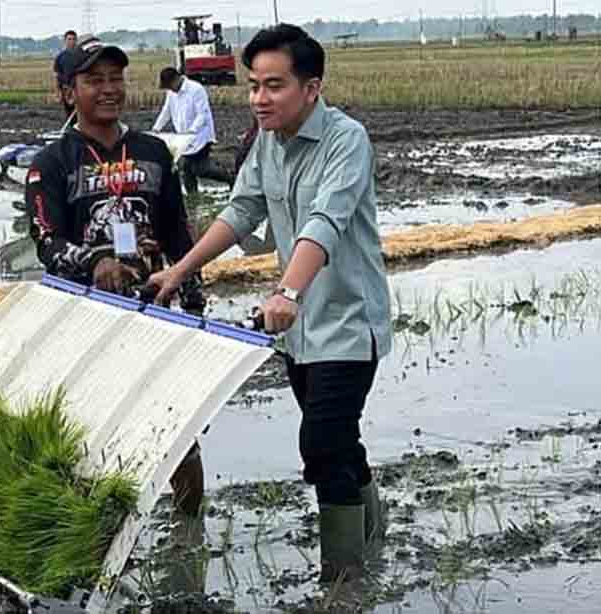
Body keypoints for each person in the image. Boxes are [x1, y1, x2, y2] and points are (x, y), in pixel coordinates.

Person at [148, 24, 392, 583]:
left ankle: (344, 579)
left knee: (322, 443)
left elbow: (325, 223)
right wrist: (180, 270)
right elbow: (241, 213)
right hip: (298, 330)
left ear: (311, 87)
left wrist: (286, 290)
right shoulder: (266, 146)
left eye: (274, 86)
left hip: (348, 323)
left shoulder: (345, 140)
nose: (259, 99)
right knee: (338, 437)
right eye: (253, 85)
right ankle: (374, 537)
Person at [24, 35, 207, 517]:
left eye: (116, 79)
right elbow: (47, 244)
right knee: (94, 433)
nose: (109, 89)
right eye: (93, 81)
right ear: (67, 92)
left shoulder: (152, 152)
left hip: (153, 313)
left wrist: (193, 299)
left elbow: (178, 234)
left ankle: (189, 537)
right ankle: (97, 535)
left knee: (178, 430)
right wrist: (95, 262)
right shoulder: (50, 165)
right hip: (86, 324)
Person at [151, 67, 234, 195]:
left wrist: (191, 131)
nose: (170, 89)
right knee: (186, 168)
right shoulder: (171, 93)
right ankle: (192, 197)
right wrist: (156, 128)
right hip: (184, 138)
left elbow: (203, 114)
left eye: (170, 85)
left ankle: (230, 178)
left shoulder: (196, 89)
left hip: (200, 136)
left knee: (200, 169)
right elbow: (166, 111)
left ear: (177, 79)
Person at [53, 30, 78, 119]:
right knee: (69, 114)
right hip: (66, 89)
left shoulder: (81, 56)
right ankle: (71, 131)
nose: (72, 41)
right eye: (69, 39)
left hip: (79, 89)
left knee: (80, 113)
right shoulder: (60, 57)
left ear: (76, 40)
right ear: (65, 41)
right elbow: (56, 75)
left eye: (74, 39)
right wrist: (57, 92)